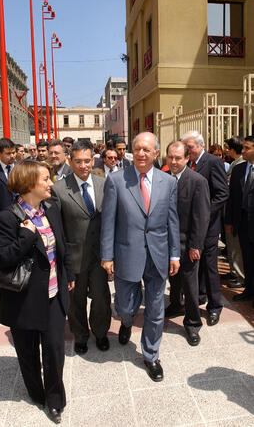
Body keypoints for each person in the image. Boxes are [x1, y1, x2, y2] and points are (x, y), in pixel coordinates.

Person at [0, 160, 75, 424]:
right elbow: (1, 259)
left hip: (53, 295)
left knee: (54, 351)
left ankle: (54, 400)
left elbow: (63, 245)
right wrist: (26, 237)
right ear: (28, 184)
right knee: (28, 354)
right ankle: (36, 394)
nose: (51, 184)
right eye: (46, 179)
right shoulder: (6, 218)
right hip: (24, 300)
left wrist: (68, 274)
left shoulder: (52, 207)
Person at [101, 132, 180, 382]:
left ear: (156, 153)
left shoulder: (168, 182)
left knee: (156, 309)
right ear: (131, 152)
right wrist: (107, 255)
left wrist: (174, 254)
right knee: (125, 305)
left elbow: (172, 222)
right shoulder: (116, 180)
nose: (141, 154)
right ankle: (126, 322)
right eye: (137, 149)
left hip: (158, 255)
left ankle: (151, 355)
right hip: (126, 254)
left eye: (147, 150)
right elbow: (108, 222)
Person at [52, 140, 111, 354]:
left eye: (87, 161)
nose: (83, 166)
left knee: (101, 297)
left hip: (99, 256)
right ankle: (80, 335)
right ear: (70, 161)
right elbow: (57, 227)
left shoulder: (104, 183)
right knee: (75, 302)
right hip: (73, 257)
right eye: (78, 161)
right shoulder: (59, 188)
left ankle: (101, 332)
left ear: (93, 159)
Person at [181, 131, 229, 326]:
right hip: (190, 227)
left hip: (208, 226)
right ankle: (199, 296)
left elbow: (222, 193)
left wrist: (205, 213)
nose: (186, 150)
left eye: (189, 147)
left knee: (210, 268)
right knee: (195, 265)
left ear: (200, 145)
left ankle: (215, 306)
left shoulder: (212, 162)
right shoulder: (187, 164)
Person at [165, 141, 210, 345]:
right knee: (173, 279)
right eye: (170, 157)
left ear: (187, 158)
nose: (173, 162)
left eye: (178, 158)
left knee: (190, 286)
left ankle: (192, 323)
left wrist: (196, 245)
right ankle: (175, 305)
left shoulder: (197, 181)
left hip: (187, 244)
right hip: (166, 243)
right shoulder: (163, 178)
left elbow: (201, 217)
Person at [225, 136, 254, 305]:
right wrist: (229, 221)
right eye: (242, 148)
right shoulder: (238, 169)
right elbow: (233, 198)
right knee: (247, 259)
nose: (242, 151)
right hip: (242, 223)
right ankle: (248, 289)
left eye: (247, 148)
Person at [223, 137, 245, 288]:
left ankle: (240, 275)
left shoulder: (241, 164)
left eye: (228, 147)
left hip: (237, 212)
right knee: (231, 244)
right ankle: (234, 270)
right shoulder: (234, 163)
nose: (226, 150)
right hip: (229, 209)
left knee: (237, 246)